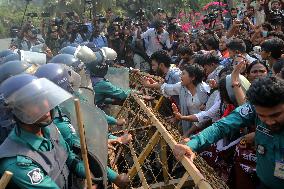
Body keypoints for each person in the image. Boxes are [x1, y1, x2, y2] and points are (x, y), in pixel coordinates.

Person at [174, 77, 284, 189]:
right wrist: (192, 144)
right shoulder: (251, 108)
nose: (269, 122)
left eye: (275, 115)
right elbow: (222, 126)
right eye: (262, 116)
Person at [0, 74, 95, 189]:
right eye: (34, 102)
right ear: (17, 111)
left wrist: (93, 175)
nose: (46, 105)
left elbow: (69, 157)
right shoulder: (16, 162)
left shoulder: (49, 128)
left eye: (44, 98)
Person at [161, 64, 209, 136]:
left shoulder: (204, 91)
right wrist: (151, 84)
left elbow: (203, 117)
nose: (180, 77)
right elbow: (168, 88)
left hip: (203, 129)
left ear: (192, 77)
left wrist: (187, 133)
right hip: (188, 125)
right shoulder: (182, 86)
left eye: (183, 74)